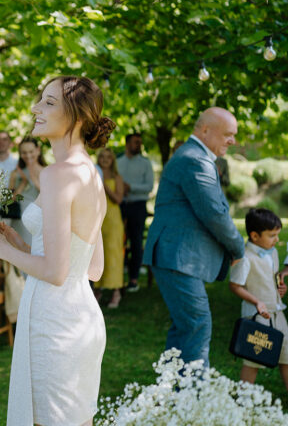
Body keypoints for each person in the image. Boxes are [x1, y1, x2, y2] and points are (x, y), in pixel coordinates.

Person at [0, 75, 113, 425]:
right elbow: (91, 267)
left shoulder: (59, 174)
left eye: (49, 102)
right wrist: (18, 242)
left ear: (79, 117)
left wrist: (0, 249)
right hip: (80, 317)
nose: (35, 108)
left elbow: (56, 273)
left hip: (54, 324)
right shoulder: (89, 172)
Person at [144, 107, 244, 366]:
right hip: (178, 256)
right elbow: (214, 214)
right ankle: (196, 400)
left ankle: (173, 395)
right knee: (198, 326)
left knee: (184, 328)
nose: (232, 141)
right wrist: (239, 248)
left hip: (176, 255)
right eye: (228, 135)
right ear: (205, 130)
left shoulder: (195, 156)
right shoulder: (194, 159)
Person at [229, 208, 288, 391]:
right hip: (257, 316)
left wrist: (280, 287)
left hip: (277, 313)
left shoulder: (271, 252)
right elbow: (235, 285)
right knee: (253, 360)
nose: (277, 240)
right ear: (254, 236)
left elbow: (270, 276)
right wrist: (256, 301)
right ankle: (243, 402)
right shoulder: (245, 258)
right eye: (272, 235)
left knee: (286, 356)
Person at [116, 133, 154, 292]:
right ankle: (116, 280)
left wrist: (130, 187)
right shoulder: (117, 162)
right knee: (117, 242)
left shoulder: (146, 164)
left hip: (138, 206)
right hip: (119, 205)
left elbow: (149, 187)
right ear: (127, 144)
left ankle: (133, 280)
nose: (139, 145)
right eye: (135, 142)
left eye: (140, 142)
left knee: (137, 243)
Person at [94, 148, 125, 309]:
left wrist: (105, 187)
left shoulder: (116, 177)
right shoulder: (92, 175)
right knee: (97, 254)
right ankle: (97, 290)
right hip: (97, 220)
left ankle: (116, 291)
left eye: (108, 157)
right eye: (102, 156)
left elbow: (118, 199)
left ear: (113, 160)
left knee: (113, 255)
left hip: (112, 220)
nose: (105, 159)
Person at [9, 137, 46, 247]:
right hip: (19, 220)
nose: (28, 156)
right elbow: (10, 201)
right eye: (24, 152)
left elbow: (51, 198)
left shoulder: (47, 172)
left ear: (38, 150)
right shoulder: (15, 173)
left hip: (40, 220)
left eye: (31, 152)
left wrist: (34, 180)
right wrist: (24, 182)